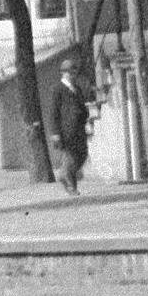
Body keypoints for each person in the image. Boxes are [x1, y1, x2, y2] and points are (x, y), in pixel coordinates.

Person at [46, 56, 94, 196]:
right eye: (70, 72)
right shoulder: (58, 89)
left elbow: (82, 108)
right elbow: (53, 113)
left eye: (74, 72)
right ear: (64, 73)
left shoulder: (76, 89)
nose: (73, 75)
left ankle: (64, 175)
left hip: (79, 129)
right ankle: (71, 186)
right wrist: (55, 133)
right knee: (70, 158)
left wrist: (87, 121)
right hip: (66, 131)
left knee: (82, 154)